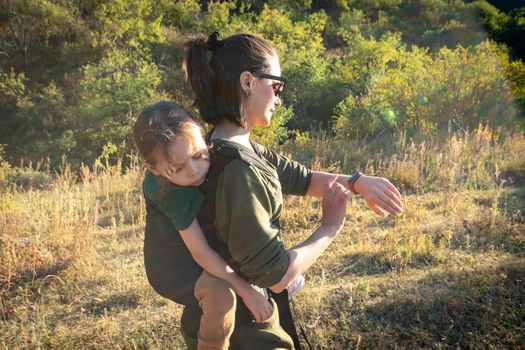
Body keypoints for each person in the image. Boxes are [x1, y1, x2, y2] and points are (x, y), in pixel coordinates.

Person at [180, 32, 404, 349]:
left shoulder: (231, 148)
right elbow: (277, 275)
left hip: (237, 320)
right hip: (247, 331)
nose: (279, 97)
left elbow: (303, 179)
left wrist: (358, 183)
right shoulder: (238, 169)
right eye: (276, 86)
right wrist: (330, 226)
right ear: (247, 82)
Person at [133, 101, 309, 349]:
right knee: (221, 296)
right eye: (179, 168)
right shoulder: (171, 192)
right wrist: (247, 291)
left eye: (198, 156)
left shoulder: (205, 153)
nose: (194, 171)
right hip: (173, 268)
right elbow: (200, 251)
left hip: (195, 254)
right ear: (154, 169)